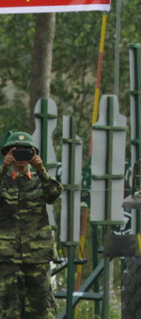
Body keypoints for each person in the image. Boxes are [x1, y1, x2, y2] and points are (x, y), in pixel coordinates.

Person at [0, 130, 63, 319]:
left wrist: (41, 170)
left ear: (34, 154)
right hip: (8, 257)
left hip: (37, 256)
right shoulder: (3, 182)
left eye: (26, 151)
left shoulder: (40, 181)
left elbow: (54, 194)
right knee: (9, 311)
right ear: (8, 153)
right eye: (16, 151)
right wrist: (4, 168)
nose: (21, 156)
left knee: (44, 310)